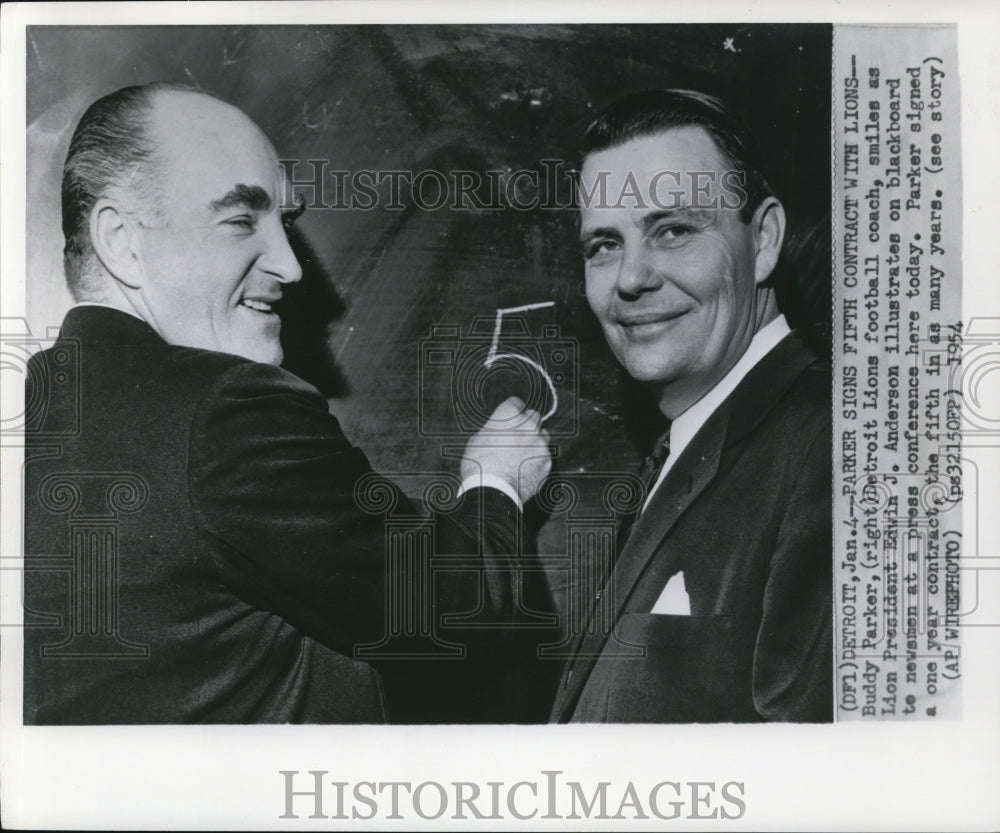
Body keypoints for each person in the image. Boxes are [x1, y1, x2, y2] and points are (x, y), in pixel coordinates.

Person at [23, 82, 551, 724]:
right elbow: (457, 607)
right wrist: (495, 480)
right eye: (241, 219)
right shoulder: (226, 413)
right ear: (121, 240)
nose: (292, 267)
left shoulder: (36, 411)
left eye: (285, 222)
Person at [550, 89, 832, 723]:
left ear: (763, 241)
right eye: (604, 245)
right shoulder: (682, 449)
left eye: (672, 231)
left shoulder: (838, 444)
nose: (630, 278)